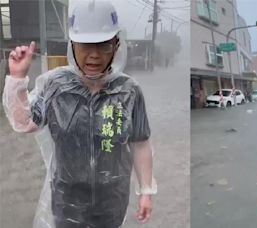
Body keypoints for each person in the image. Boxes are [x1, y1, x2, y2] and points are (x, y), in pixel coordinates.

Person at [2, 1, 156, 227]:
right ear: (72, 45)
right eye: (85, 45)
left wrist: (146, 191)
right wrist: (17, 79)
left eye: (103, 45)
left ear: (116, 45)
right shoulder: (55, 85)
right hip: (67, 200)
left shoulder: (129, 90)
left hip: (112, 201)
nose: (93, 55)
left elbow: (140, 143)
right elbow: (24, 123)